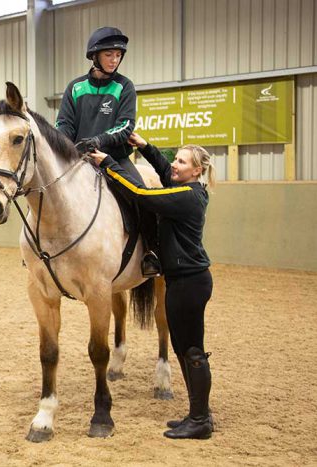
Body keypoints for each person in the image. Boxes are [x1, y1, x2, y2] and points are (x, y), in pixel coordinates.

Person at [90, 133, 216, 440]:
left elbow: (140, 194)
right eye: (177, 159)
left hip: (189, 282)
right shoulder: (184, 187)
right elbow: (162, 169)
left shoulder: (187, 196)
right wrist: (145, 147)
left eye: (182, 161)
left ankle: (201, 419)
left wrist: (109, 164)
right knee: (184, 347)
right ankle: (198, 414)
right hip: (183, 280)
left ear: (197, 170)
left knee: (193, 350)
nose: (175, 164)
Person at [55, 26, 160, 276]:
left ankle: (151, 253)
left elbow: (126, 126)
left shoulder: (125, 87)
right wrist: (66, 146)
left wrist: (97, 141)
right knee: (48, 187)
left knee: (142, 195)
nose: (114, 60)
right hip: (78, 159)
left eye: (118, 55)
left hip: (116, 158)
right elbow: (63, 124)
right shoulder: (76, 88)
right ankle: (39, 250)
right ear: (95, 56)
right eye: (109, 55)